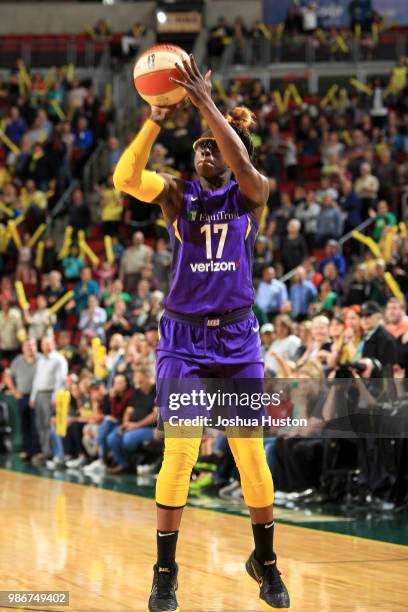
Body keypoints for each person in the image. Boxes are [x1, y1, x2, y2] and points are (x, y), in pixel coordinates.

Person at [113, 54, 289, 612]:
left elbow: (241, 166)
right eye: (200, 147)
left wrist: (208, 106)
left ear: (237, 153)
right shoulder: (176, 196)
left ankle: (267, 561)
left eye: (214, 145)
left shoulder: (251, 192)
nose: (204, 151)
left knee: (252, 460)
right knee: (180, 456)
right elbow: (123, 178)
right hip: (184, 341)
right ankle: (165, 573)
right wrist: (158, 118)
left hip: (237, 340)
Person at [29, 336, 68, 462]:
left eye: (48, 343)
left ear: (54, 344)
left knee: (49, 424)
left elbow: (60, 380)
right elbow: (37, 379)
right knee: (40, 424)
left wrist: (55, 396)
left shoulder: (58, 360)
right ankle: (45, 451)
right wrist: (33, 396)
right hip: (39, 394)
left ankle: (53, 452)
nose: (46, 346)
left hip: (50, 394)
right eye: (44, 344)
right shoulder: (40, 360)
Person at [4, 339, 40, 460]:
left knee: (36, 425)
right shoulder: (17, 361)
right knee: (24, 425)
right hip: (23, 396)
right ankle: (27, 451)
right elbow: (7, 376)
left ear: (36, 346)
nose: (30, 347)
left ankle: (36, 452)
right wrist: (14, 391)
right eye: (27, 345)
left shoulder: (41, 359)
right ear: (23, 348)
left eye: (32, 345)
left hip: (37, 397)